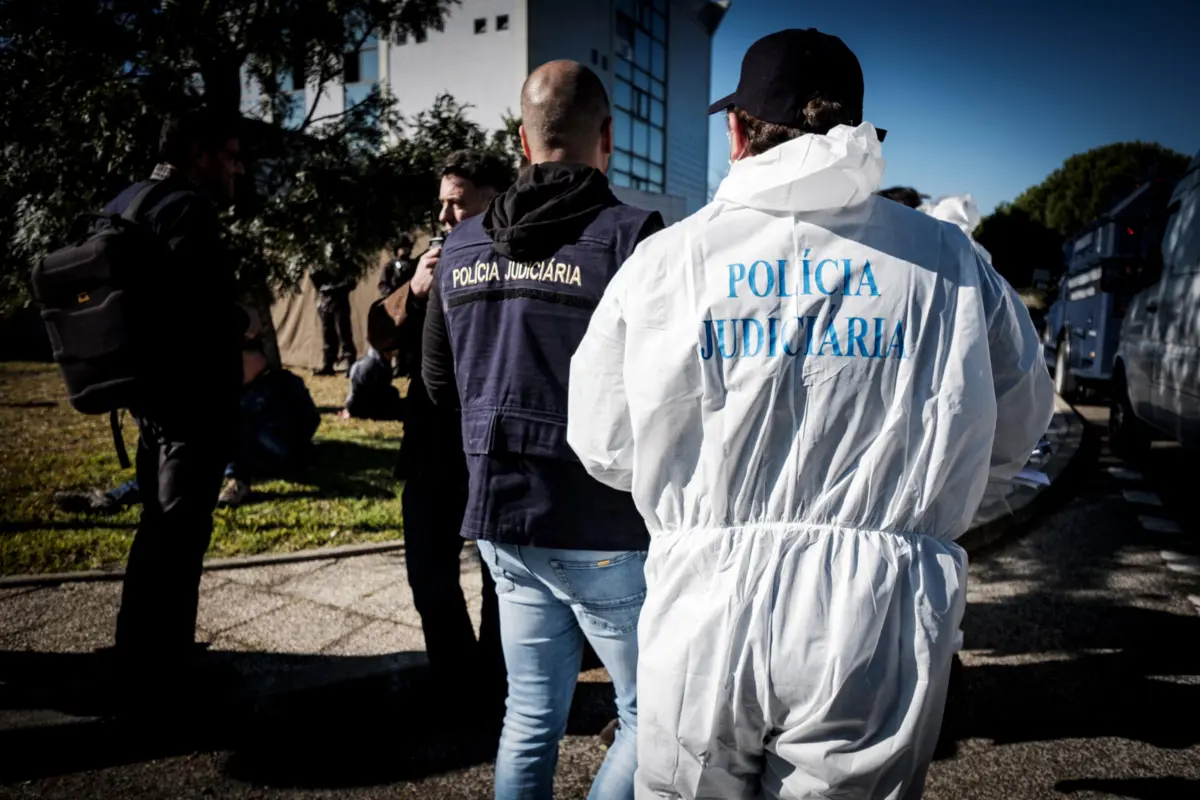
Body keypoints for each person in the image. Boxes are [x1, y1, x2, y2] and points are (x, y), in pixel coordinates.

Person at [567, 28, 1055, 800]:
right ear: (862, 131)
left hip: (703, 601)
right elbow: (1020, 423)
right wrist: (926, 501)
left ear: (736, 132)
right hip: (875, 613)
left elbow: (601, 440)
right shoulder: (952, 263)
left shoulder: (667, 261)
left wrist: (694, 484)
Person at [422, 61, 665, 800]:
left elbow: (439, 385)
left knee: (529, 715)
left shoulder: (460, 247)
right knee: (651, 720)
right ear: (609, 138)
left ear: (523, 143)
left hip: (503, 520)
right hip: (604, 524)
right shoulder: (634, 239)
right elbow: (667, 392)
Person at [100, 108, 252, 704]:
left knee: (159, 528)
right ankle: (163, 673)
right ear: (199, 153)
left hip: (150, 398)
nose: (238, 168)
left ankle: (138, 652)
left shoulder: (128, 201)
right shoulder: (187, 207)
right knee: (180, 535)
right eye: (231, 156)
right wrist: (238, 321)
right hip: (191, 402)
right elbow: (198, 307)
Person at [393, 149, 514, 724]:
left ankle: (497, 686)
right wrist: (413, 292)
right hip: (429, 446)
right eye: (441, 204)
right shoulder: (428, 262)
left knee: (499, 580)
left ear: (494, 199)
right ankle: (456, 680)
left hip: (491, 445)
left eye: (457, 204)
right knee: (428, 574)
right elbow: (378, 333)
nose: (444, 217)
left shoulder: (518, 257)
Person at [218, 342, 322, 506]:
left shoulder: (284, 384)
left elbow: (309, 420)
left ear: (259, 359)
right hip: (260, 450)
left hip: (275, 450)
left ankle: (238, 480)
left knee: (240, 419)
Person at [311, 263, 356, 375]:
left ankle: (351, 365)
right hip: (326, 303)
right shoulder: (321, 263)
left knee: (344, 334)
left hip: (340, 303)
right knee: (328, 335)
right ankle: (328, 365)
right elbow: (315, 279)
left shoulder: (345, 263)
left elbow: (351, 282)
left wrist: (333, 288)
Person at [342, 346, 404, 421]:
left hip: (359, 402)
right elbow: (362, 392)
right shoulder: (372, 364)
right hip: (360, 405)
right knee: (393, 394)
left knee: (393, 393)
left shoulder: (376, 360)